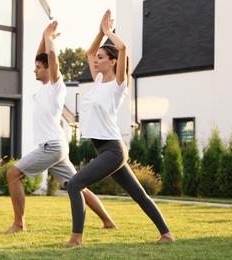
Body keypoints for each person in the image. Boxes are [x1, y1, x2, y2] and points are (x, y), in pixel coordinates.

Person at [63, 10, 175, 246]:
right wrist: (100, 31)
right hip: (105, 150)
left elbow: (123, 49)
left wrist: (108, 33)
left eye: (102, 57)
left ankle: (76, 238)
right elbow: (89, 52)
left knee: (75, 184)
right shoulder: (99, 81)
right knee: (138, 194)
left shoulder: (117, 85)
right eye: (98, 58)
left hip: (113, 150)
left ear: (113, 62)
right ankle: (166, 234)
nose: (96, 60)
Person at [5, 21, 117, 233]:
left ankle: (19, 224)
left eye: (38, 68)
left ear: (48, 69)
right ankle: (108, 221)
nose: (34, 70)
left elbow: (52, 59)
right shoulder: (44, 86)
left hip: (52, 146)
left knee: (13, 174)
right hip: (56, 145)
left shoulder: (56, 86)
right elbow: (43, 57)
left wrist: (50, 41)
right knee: (77, 185)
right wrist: (43, 36)